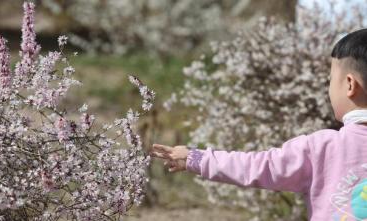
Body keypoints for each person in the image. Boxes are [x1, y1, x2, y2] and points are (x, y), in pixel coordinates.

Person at [150, 28, 367, 221]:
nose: (328, 88)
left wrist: (195, 158)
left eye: (330, 80)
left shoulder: (322, 148)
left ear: (349, 85)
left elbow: (257, 167)